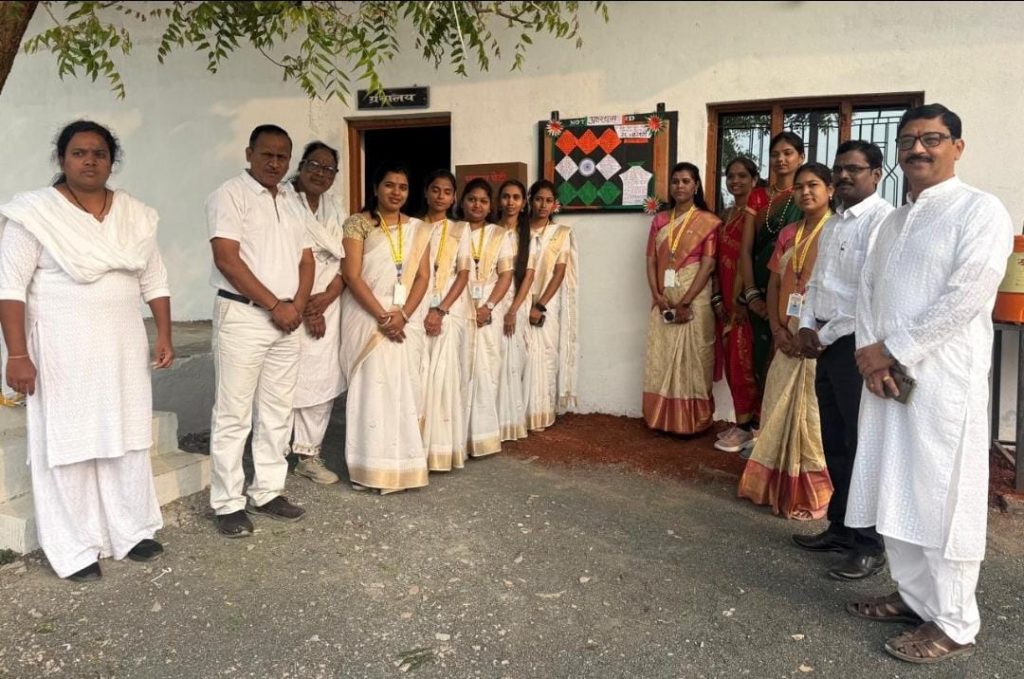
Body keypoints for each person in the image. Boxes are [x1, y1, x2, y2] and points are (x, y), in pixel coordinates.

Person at [844, 104, 1013, 664]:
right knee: (895, 485)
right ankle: (916, 597)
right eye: (908, 140)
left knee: (942, 496)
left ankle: (956, 621)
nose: (918, 148)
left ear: (957, 147)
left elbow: (967, 295)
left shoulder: (980, 210)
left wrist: (892, 351)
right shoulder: (892, 221)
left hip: (942, 385)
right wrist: (872, 359)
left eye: (932, 138)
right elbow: (868, 294)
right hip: (886, 382)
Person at [0, 120, 173, 581]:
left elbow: (154, 279)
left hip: (122, 346)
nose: (90, 161)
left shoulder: (135, 214)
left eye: (99, 153)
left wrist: (164, 333)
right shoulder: (34, 214)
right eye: (79, 153)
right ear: (62, 159)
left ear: (112, 161)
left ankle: (132, 530)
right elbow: (10, 289)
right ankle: (75, 547)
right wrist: (17, 355)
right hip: (61, 349)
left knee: (127, 437)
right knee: (70, 442)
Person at [207, 124, 314, 538]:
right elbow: (227, 259)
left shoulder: (291, 200)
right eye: (267, 154)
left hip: (287, 319)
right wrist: (275, 305)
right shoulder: (229, 195)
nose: (274, 163)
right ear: (249, 153)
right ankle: (227, 502)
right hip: (245, 315)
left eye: (282, 157)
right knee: (233, 413)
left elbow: (306, 260)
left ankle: (268, 490)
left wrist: (296, 306)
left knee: (277, 411)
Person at [793, 141, 893, 580]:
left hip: (859, 348)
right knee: (834, 439)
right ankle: (840, 526)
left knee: (862, 443)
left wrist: (823, 334)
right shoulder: (834, 223)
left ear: (877, 174)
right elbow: (816, 283)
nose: (845, 176)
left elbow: (870, 296)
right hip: (826, 345)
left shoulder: (882, 222)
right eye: (840, 169)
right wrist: (805, 325)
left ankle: (870, 544)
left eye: (855, 168)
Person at [737, 162, 833, 519]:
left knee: (812, 416)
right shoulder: (789, 232)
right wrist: (778, 329)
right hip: (786, 333)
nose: (805, 192)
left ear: (830, 190)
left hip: (818, 338)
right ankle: (773, 484)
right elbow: (776, 281)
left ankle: (811, 492)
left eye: (813, 185)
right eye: (799, 187)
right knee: (777, 406)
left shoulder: (836, 231)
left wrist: (815, 335)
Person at [340, 163, 431, 494]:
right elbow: (352, 275)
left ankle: (403, 468)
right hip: (368, 319)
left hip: (404, 321)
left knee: (403, 390)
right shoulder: (357, 223)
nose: (396, 192)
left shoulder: (419, 229)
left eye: (403, 187)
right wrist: (383, 317)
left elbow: (423, 277)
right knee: (371, 392)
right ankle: (369, 469)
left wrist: (402, 315)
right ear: (376, 187)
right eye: (390, 185)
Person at [642, 162, 720, 434]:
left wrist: (686, 301)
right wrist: (656, 295)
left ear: (696, 186)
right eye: (675, 181)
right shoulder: (660, 220)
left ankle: (693, 422)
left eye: (686, 181)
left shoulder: (708, 221)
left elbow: (708, 265)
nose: (680, 186)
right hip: (664, 297)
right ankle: (661, 418)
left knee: (694, 358)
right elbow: (651, 260)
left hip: (695, 299)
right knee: (662, 357)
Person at [289, 141, 346, 485]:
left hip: (329, 300)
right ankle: (274, 451)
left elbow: (346, 260)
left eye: (329, 169)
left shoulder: (335, 207)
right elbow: (283, 256)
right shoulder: (282, 202)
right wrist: (309, 307)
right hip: (291, 301)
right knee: (285, 379)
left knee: (321, 379)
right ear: (301, 165)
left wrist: (326, 298)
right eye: (314, 165)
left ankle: (308, 455)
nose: (321, 173)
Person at [740, 132, 805, 397]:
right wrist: (752, 293)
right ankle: (761, 419)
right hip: (759, 286)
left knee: (790, 353)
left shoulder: (806, 196)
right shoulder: (757, 197)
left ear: (801, 157)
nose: (781, 159)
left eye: (788, 153)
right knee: (758, 356)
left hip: (793, 288)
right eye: (775, 154)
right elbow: (746, 250)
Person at [419, 170, 472, 471]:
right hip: (416, 307)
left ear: (454, 198)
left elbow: (463, 274)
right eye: (436, 190)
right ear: (426, 192)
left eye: (447, 192)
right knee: (418, 378)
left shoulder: (460, 229)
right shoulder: (412, 226)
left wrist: (440, 310)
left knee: (442, 379)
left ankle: (439, 450)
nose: (441, 196)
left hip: (446, 310)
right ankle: (415, 449)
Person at [713, 157, 767, 452]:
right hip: (725, 298)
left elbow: (754, 257)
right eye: (731, 176)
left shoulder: (759, 211)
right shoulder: (726, 213)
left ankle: (750, 427)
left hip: (745, 301)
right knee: (733, 363)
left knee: (745, 363)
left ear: (754, 179)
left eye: (742, 176)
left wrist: (745, 297)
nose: (735, 181)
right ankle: (743, 423)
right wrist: (718, 297)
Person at [463, 178, 515, 457]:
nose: (477, 205)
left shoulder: (499, 235)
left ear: (490, 205)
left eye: (483, 201)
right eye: (472, 199)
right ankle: (457, 438)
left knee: (486, 371)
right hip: (458, 307)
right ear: (462, 202)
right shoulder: (454, 231)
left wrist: (489, 306)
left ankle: (482, 438)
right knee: (460, 370)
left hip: (487, 310)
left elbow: (506, 275)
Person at [525, 180, 578, 431]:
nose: (543, 205)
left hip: (547, 300)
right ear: (530, 200)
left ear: (555, 204)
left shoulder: (561, 233)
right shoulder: (518, 230)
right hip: (520, 298)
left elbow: (559, 272)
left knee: (545, 354)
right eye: (538, 199)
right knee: (521, 354)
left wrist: (541, 305)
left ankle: (541, 413)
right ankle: (519, 414)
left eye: (548, 201)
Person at [497, 179, 534, 441]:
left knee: (514, 358)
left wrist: (512, 310)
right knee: (493, 358)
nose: (510, 202)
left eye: (516, 197)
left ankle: (509, 422)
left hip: (516, 301)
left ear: (523, 204)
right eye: (506, 197)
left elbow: (529, 276)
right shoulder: (490, 231)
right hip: (492, 298)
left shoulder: (528, 236)